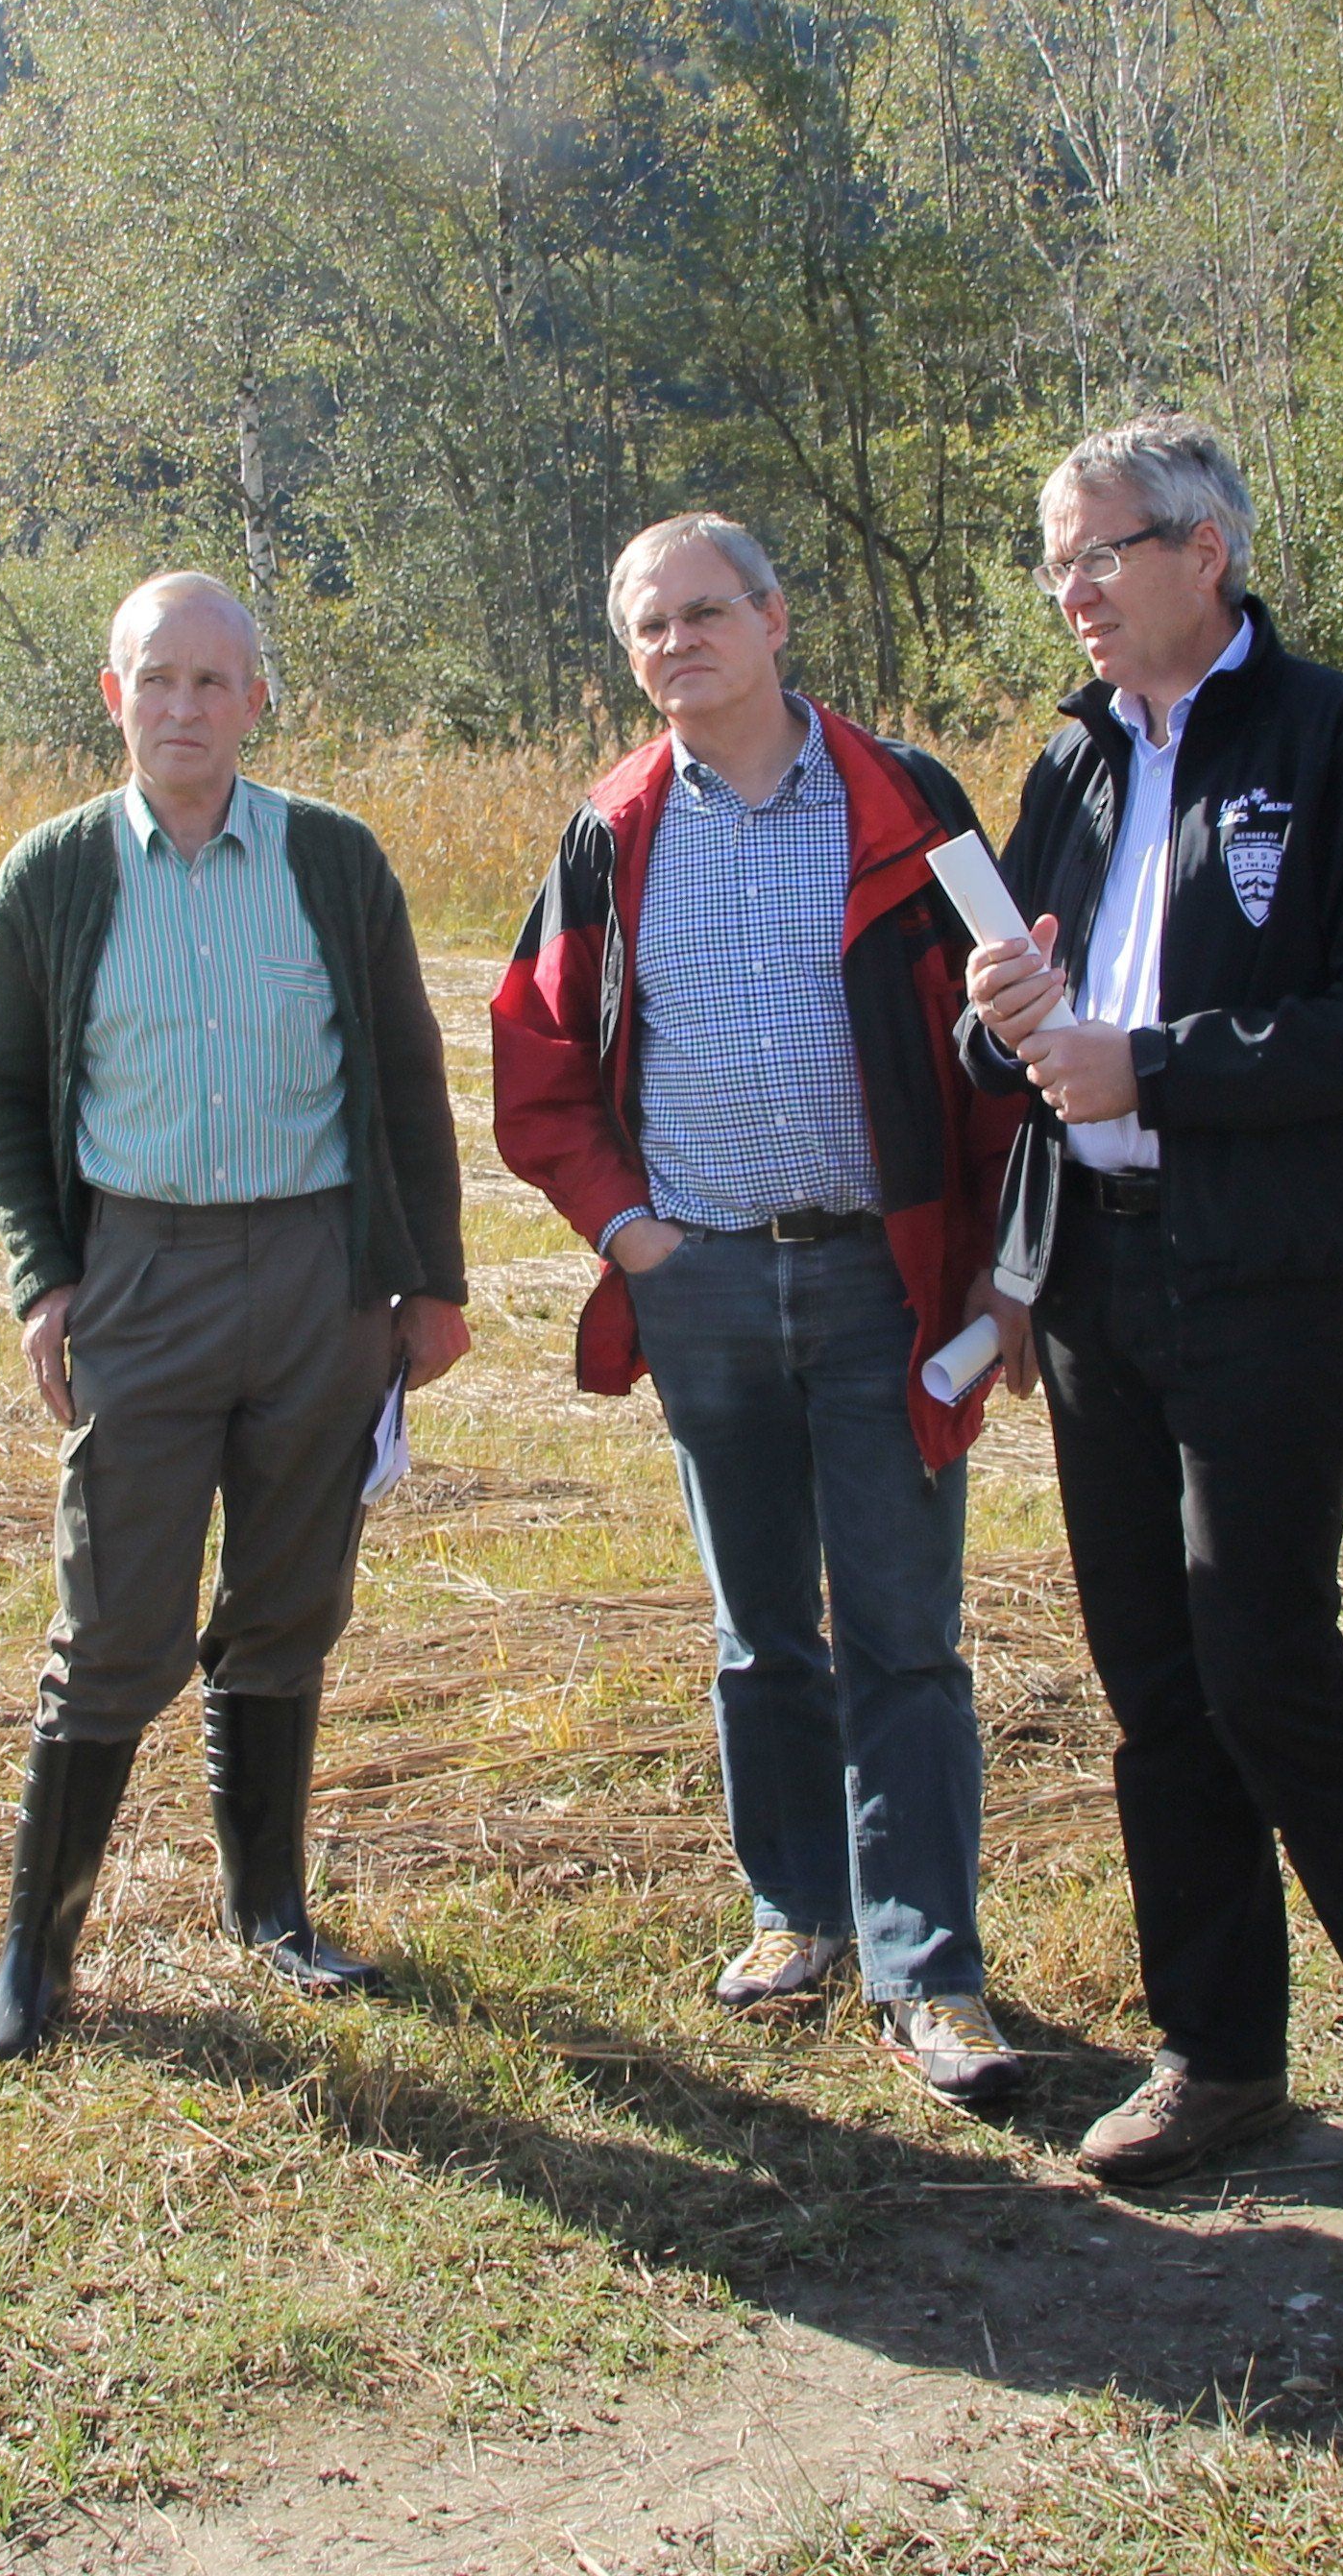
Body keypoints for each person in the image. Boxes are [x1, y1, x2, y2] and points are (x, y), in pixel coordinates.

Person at [959, 413, 1343, 2192]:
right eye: (1056, 562)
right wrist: (998, 1018)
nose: (1073, 590)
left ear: (1206, 551)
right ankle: (1222, 2055)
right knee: (1154, 1680)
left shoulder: (1337, 743)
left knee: (1267, 1663)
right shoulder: (1076, 759)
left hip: (1270, 1271)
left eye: (1099, 553)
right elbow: (1030, 1023)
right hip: (1097, 1274)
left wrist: (1155, 1065)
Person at [490, 514, 1032, 2108]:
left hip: (885, 1282)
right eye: (650, 626)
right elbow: (536, 1056)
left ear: (776, 619)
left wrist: (996, 1267)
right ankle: (797, 1913)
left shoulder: (907, 801)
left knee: (904, 1636)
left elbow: (1004, 1038)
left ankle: (929, 1975)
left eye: (705, 613)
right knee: (759, 1635)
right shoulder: (609, 833)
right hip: (705, 1286)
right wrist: (632, 1234)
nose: (679, 644)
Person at [0, 571, 471, 2065]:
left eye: (211, 682)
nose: (182, 708)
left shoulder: (334, 861)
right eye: (156, 680)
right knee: (116, 1619)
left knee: (290, 1601)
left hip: (321, 1277)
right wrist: (45, 1276)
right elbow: (2, 1091)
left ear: (255, 701)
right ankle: (34, 1971)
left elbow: (407, 1079)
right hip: (142, 1276)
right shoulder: (52, 875)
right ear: (112, 698)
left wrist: (429, 1283)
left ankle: (271, 1915)